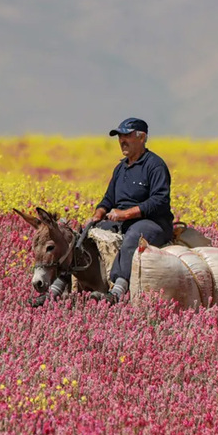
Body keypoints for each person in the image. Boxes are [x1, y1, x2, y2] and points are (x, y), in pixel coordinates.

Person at [84, 117, 174, 303]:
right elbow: (108, 199)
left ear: (142, 138)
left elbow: (159, 200)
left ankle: (118, 289)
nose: (122, 141)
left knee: (134, 236)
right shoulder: (120, 168)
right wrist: (97, 216)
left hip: (153, 222)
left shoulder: (154, 165)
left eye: (127, 135)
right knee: (83, 235)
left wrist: (125, 214)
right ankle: (59, 286)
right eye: (120, 137)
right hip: (121, 221)